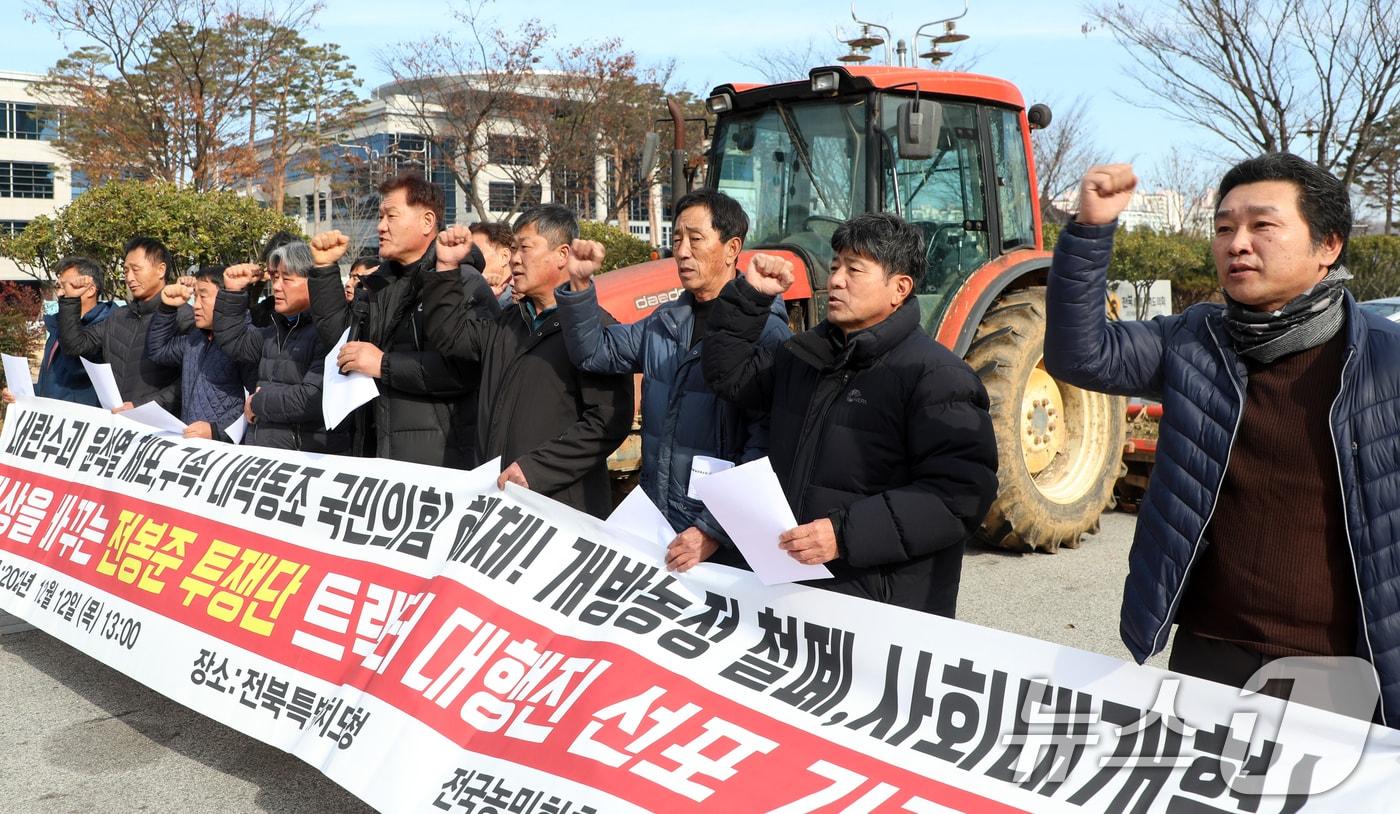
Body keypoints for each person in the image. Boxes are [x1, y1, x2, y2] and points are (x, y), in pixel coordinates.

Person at [1044, 154, 1400, 723]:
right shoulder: (1193, 339)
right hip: (1210, 647)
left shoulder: (1387, 359)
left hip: (1339, 663)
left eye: (1262, 225)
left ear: (1328, 245)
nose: (1237, 243)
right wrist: (1090, 231)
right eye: (1224, 227)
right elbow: (1080, 355)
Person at [703, 212, 998, 616]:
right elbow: (729, 377)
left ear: (899, 288)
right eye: (836, 265)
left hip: (878, 608)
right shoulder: (802, 356)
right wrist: (751, 297)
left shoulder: (936, 377)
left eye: (854, 269)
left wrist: (845, 534)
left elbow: (958, 496)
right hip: (789, 590)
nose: (836, 279)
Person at [556, 189, 790, 571]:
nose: (681, 251)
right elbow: (593, 352)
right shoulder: (664, 322)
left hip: (715, 543)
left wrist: (714, 530)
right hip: (657, 521)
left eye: (695, 239)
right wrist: (581, 287)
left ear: (732, 248)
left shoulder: (765, 333)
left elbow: (764, 444)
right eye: (677, 239)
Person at [422, 204, 635, 517]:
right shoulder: (506, 322)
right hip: (496, 500)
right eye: (512, 248)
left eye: (525, 247)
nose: (515, 259)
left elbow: (608, 420)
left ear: (563, 255)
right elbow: (448, 336)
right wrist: (446, 268)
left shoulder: (594, 330)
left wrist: (537, 471)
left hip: (561, 510)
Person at [305, 173, 491, 468]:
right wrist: (325, 270)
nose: (380, 226)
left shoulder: (463, 282)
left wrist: (382, 365)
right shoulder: (380, 285)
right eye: (380, 216)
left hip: (441, 463)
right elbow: (341, 344)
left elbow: (465, 369)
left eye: (391, 215)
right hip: (379, 458)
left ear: (427, 221)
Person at [212, 242, 349, 453]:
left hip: (306, 460)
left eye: (287, 279)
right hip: (266, 456)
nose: (276, 286)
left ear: (313, 282)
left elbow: (311, 399)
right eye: (275, 278)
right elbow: (234, 342)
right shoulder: (274, 330)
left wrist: (257, 403)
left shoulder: (328, 335)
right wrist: (232, 291)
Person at [57, 236, 191, 413]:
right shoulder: (119, 316)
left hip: (161, 429)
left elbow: (191, 378)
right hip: (118, 424)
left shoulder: (183, 315)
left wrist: (142, 407)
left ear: (161, 270)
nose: (129, 278)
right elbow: (75, 345)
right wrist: (71, 299)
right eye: (126, 270)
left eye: (136, 270)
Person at [145, 267, 250, 441]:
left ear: (227, 297)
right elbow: (159, 351)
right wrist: (167, 309)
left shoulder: (247, 340)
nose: (196, 305)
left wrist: (216, 431)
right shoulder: (195, 340)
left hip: (224, 451)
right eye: (195, 297)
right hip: (191, 445)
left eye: (203, 296)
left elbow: (255, 400)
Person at [469, 221, 515, 307]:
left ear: (504, 257)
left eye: (477, 254)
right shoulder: (472, 291)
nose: (471, 260)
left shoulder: (519, 299)